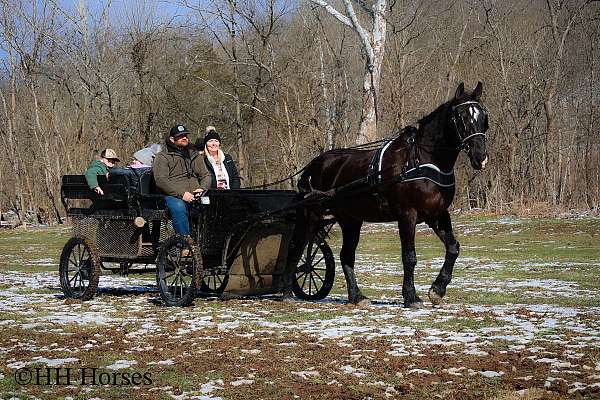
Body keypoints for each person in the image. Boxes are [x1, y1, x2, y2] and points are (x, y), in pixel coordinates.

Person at [153, 124, 211, 236]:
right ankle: (185, 241)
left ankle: (209, 241)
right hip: (172, 196)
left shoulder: (194, 154)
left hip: (196, 194)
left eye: (185, 135)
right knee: (178, 207)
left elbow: (206, 175)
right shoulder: (163, 157)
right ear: (172, 139)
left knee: (214, 204)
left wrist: (202, 189)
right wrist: (182, 194)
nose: (184, 138)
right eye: (180, 136)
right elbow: (161, 180)